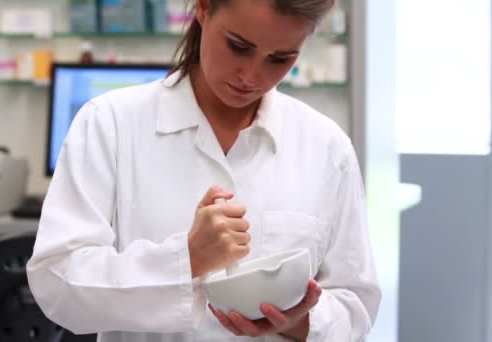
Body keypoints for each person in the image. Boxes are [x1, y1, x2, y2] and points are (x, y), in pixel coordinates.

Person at [26, 0, 381, 341]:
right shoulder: (110, 124)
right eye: (239, 46)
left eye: (280, 58)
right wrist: (188, 259)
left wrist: (298, 321)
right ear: (203, 8)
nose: (251, 76)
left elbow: (357, 306)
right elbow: (57, 284)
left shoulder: (326, 147)